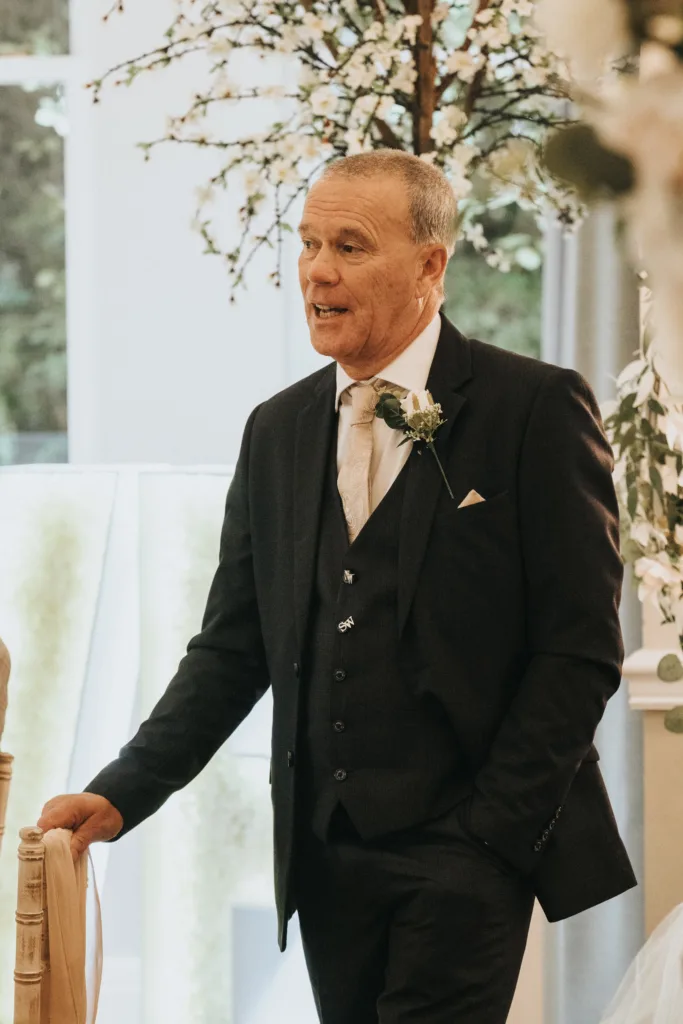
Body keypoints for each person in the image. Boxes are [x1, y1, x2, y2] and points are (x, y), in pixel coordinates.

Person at [38, 149, 637, 1023]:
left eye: (350, 246)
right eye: (309, 242)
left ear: (431, 263)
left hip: (467, 853)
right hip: (324, 859)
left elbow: (578, 648)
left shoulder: (534, 408)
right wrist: (124, 789)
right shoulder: (276, 429)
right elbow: (233, 649)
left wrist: (494, 834)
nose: (317, 270)